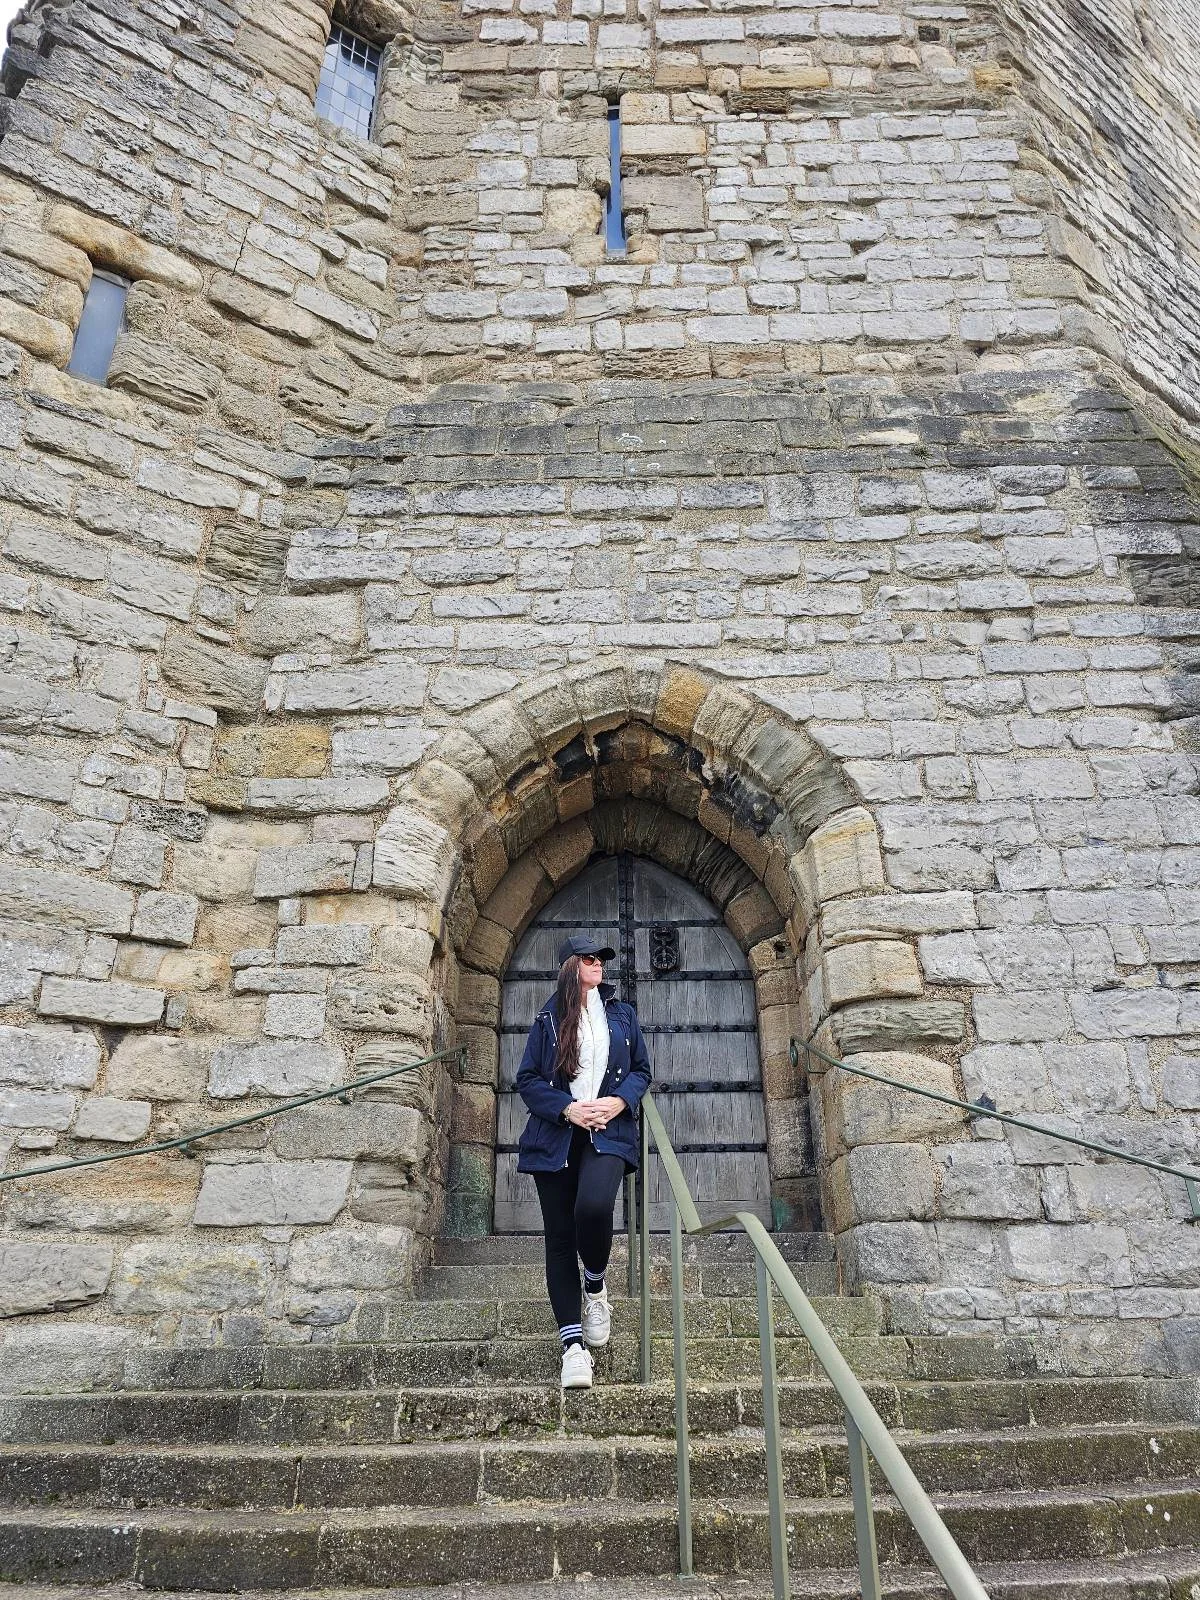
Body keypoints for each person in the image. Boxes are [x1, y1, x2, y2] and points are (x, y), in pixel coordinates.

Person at [514, 933, 653, 1390]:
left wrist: (618, 1102)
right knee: (558, 1238)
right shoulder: (548, 1018)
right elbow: (528, 1079)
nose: (600, 965)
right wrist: (567, 1108)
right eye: (590, 958)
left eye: (602, 960)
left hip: (609, 1134)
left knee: (593, 1209)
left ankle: (595, 1284)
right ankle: (572, 1348)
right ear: (570, 966)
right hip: (556, 1138)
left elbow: (641, 1071)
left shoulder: (622, 1014)